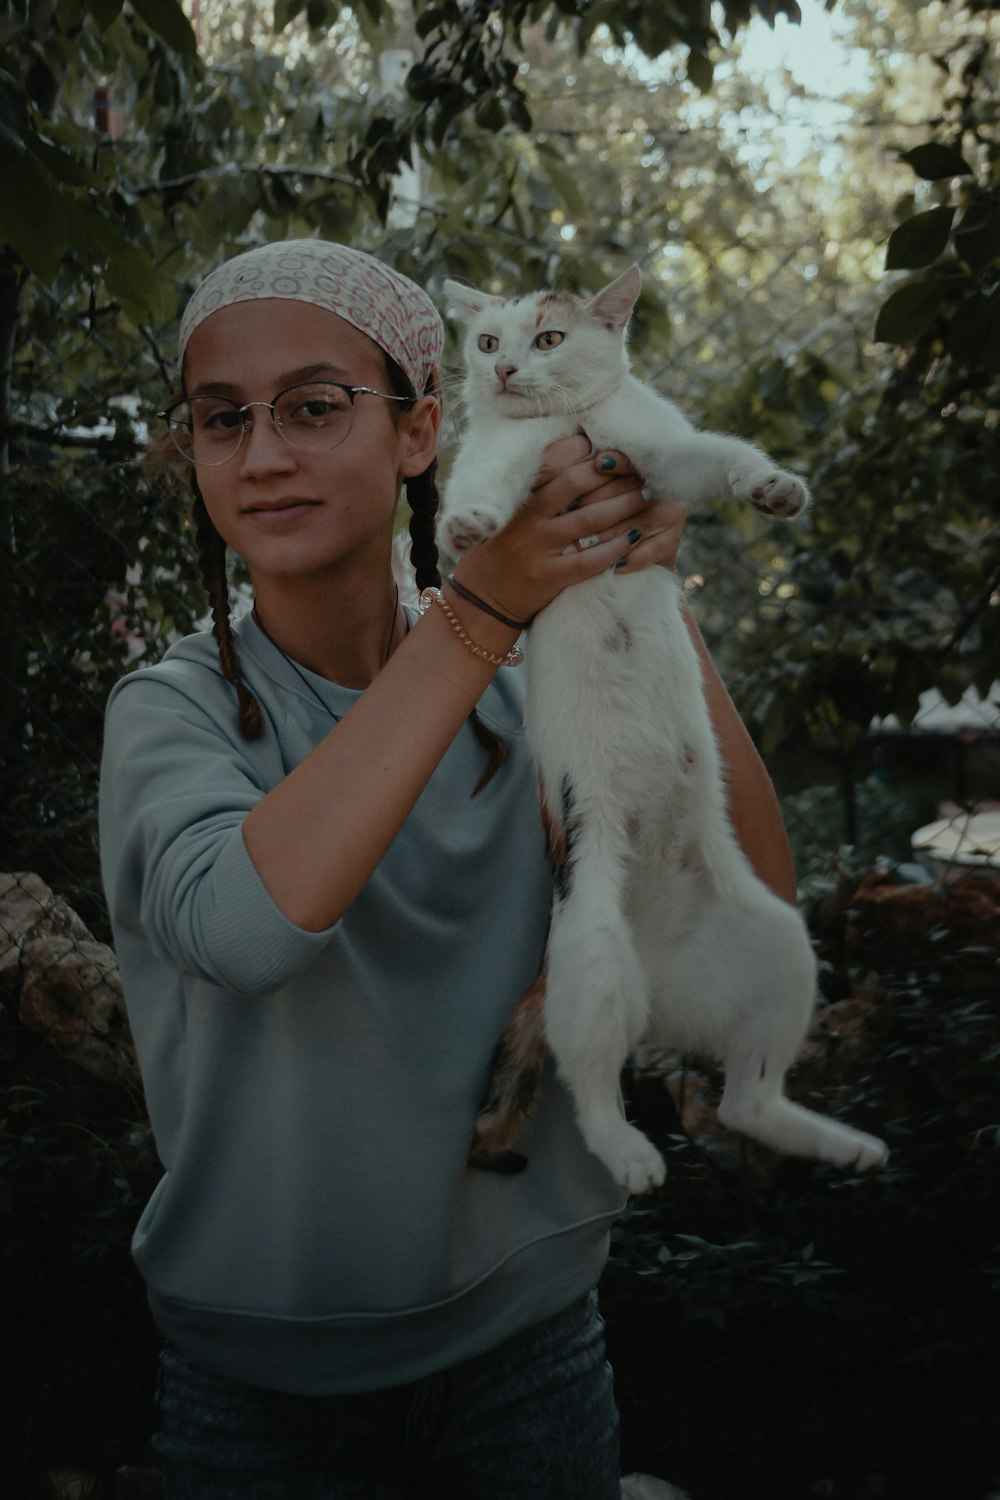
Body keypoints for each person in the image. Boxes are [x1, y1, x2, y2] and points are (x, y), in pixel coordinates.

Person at [99, 239, 797, 1499]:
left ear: (421, 431)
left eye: (314, 407)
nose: (261, 455)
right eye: (220, 420)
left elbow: (737, 902)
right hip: (261, 1394)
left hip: (529, 1356)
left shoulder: (533, 676)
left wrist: (633, 578)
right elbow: (253, 931)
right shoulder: (171, 712)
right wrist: (485, 606)